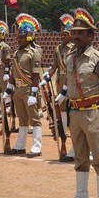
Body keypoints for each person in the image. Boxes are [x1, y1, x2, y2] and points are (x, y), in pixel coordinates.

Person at [57, 8, 99, 198]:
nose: (75, 36)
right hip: (76, 112)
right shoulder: (70, 57)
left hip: (94, 112)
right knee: (80, 158)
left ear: (91, 36)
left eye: (81, 33)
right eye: (74, 32)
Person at [6, 14, 44, 157]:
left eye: (21, 37)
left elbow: (35, 76)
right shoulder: (16, 53)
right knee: (22, 120)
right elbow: (13, 73)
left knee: (34, 119)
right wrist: (8, 89)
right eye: (18, 37)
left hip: (29, 89)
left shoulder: (34, 53)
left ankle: (36, 146)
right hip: (18, 89)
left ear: (29, 37)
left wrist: (34, 94)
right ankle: (20, 145)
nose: (18, 39)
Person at [43, 15, 76, 161]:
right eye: (61, 34)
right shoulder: (58, 49)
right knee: (61, 109)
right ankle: (63, 136)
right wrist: (48, 76)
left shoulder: (75, 48)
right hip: (60, 80)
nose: (63, 37)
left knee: (73, 109)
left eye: (65, 35)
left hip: (72, 82)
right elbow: (55, 66)